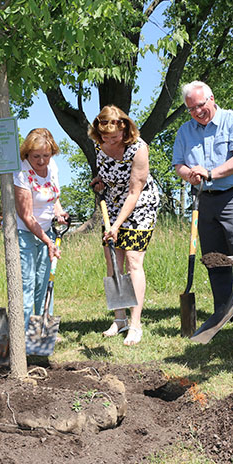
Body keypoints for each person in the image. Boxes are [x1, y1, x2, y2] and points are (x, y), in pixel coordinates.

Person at [173, 81, 233, 319]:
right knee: (214, 258)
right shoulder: (184, 131)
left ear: (211, 98)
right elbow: (179, 164)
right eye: (191, 108)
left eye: (200, 105)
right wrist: (189, 175)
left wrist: (209, 173)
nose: (197, 112)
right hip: (204, 200)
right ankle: (223, 311)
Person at [89, 105, 159, 346]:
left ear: (124, 128)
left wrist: (117, 225)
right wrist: (99, 182)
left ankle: (135, 324)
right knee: (113, 262)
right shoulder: (99, 147)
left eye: (115, 136)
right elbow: (106, 175)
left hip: (140, 205)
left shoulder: (138, 148)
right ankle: (119, 320)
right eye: (105, 137)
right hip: (112, 204)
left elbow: (134, 190)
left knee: (133, 260)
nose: (110, 140)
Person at [13, 128, 69, 331]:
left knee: (45, 285)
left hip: (47, 232)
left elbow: (53, 196)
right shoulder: (21, 172)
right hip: (24, 234)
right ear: (27, 153)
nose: (42, 161)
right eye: (36, 156)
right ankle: (24, 334)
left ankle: (43, 332)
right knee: (26, 285)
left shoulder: (52, 166)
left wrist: (59, 213)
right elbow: (26, 216)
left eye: (46, 155)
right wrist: (48, 241)